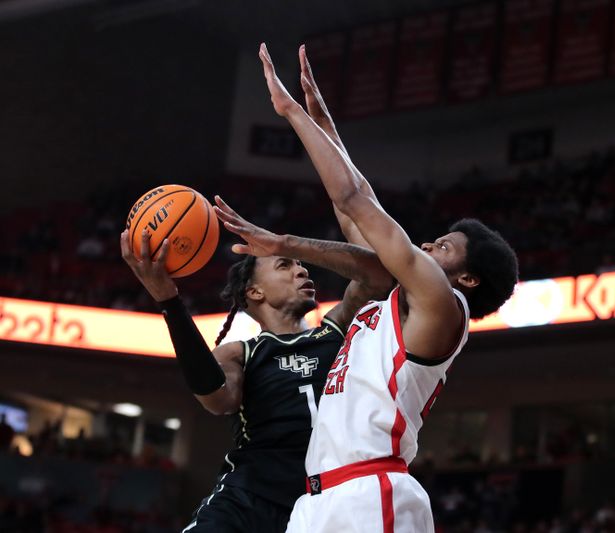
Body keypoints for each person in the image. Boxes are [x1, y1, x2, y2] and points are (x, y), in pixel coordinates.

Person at [216, 43, 518, 532]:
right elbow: (354, 212)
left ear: (468, 278)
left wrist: (290, 112)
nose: (426, 245)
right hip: (316, 499)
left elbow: (356, 201)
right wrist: (324, 125)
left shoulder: (443, 306)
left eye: (442, 247)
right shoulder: (403, 294)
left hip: (370, 491)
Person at [120, 203, 393, 532]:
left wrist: (288, 244)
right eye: (284, 265)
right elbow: (216, 398)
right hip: (248, 499)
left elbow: (379, 273)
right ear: (254, 291)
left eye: (301, 265)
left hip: (322, 505)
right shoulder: (240, 353)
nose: (303, 271)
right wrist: (168, 300)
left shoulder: (335, 330)